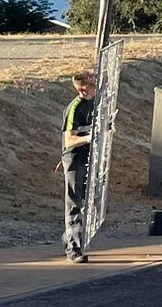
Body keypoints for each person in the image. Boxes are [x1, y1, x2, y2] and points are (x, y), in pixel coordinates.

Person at [57, 68, 97, 263]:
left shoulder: (97, 102)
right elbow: (69, 140)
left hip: (90, 156)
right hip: (74, 158)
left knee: (88, 200)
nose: (84, 93)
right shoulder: (74, 108)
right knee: (74, 202)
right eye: (80, 90)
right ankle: (73, 249)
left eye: (87, 89)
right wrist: (89, 137)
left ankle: (76, 238)